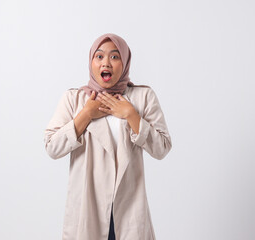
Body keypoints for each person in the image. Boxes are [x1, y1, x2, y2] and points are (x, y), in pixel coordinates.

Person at [43, 33, 172, 240]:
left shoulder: (142, 97)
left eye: (114, 56)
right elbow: (51, 146)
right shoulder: (74, 99)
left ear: (125, 62)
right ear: (91, 61)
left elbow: (162, 148)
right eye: (100, 56)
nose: (107, 63)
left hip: (129, 209)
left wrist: (131, 115)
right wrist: (85, 115)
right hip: (88, 209)